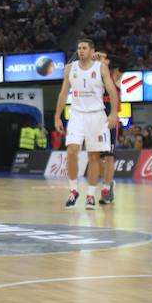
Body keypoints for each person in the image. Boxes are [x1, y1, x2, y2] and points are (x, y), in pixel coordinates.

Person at [54, 38, 120, 210]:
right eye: (79, 48)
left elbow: (112, 91)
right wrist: (57, 116)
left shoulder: (101, 68)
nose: (80, 51)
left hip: (97, 116)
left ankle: (90, 195)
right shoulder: (70, 68)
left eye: (84, 48)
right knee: (72, 151)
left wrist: (113, 113)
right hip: (76, 115)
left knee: (94, 157)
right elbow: (63, 93)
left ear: (92, 51)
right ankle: (73, 190)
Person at [96, 53, 122, 205]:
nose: (99, 62)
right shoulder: (93, 77)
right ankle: (109, 182)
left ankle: (106, 190)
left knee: (109, 156)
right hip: (96, 121)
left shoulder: (114, 76)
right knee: (97, 158)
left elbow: (126, 61)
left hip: (110, 121)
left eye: (103, 60)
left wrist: (105, 55)